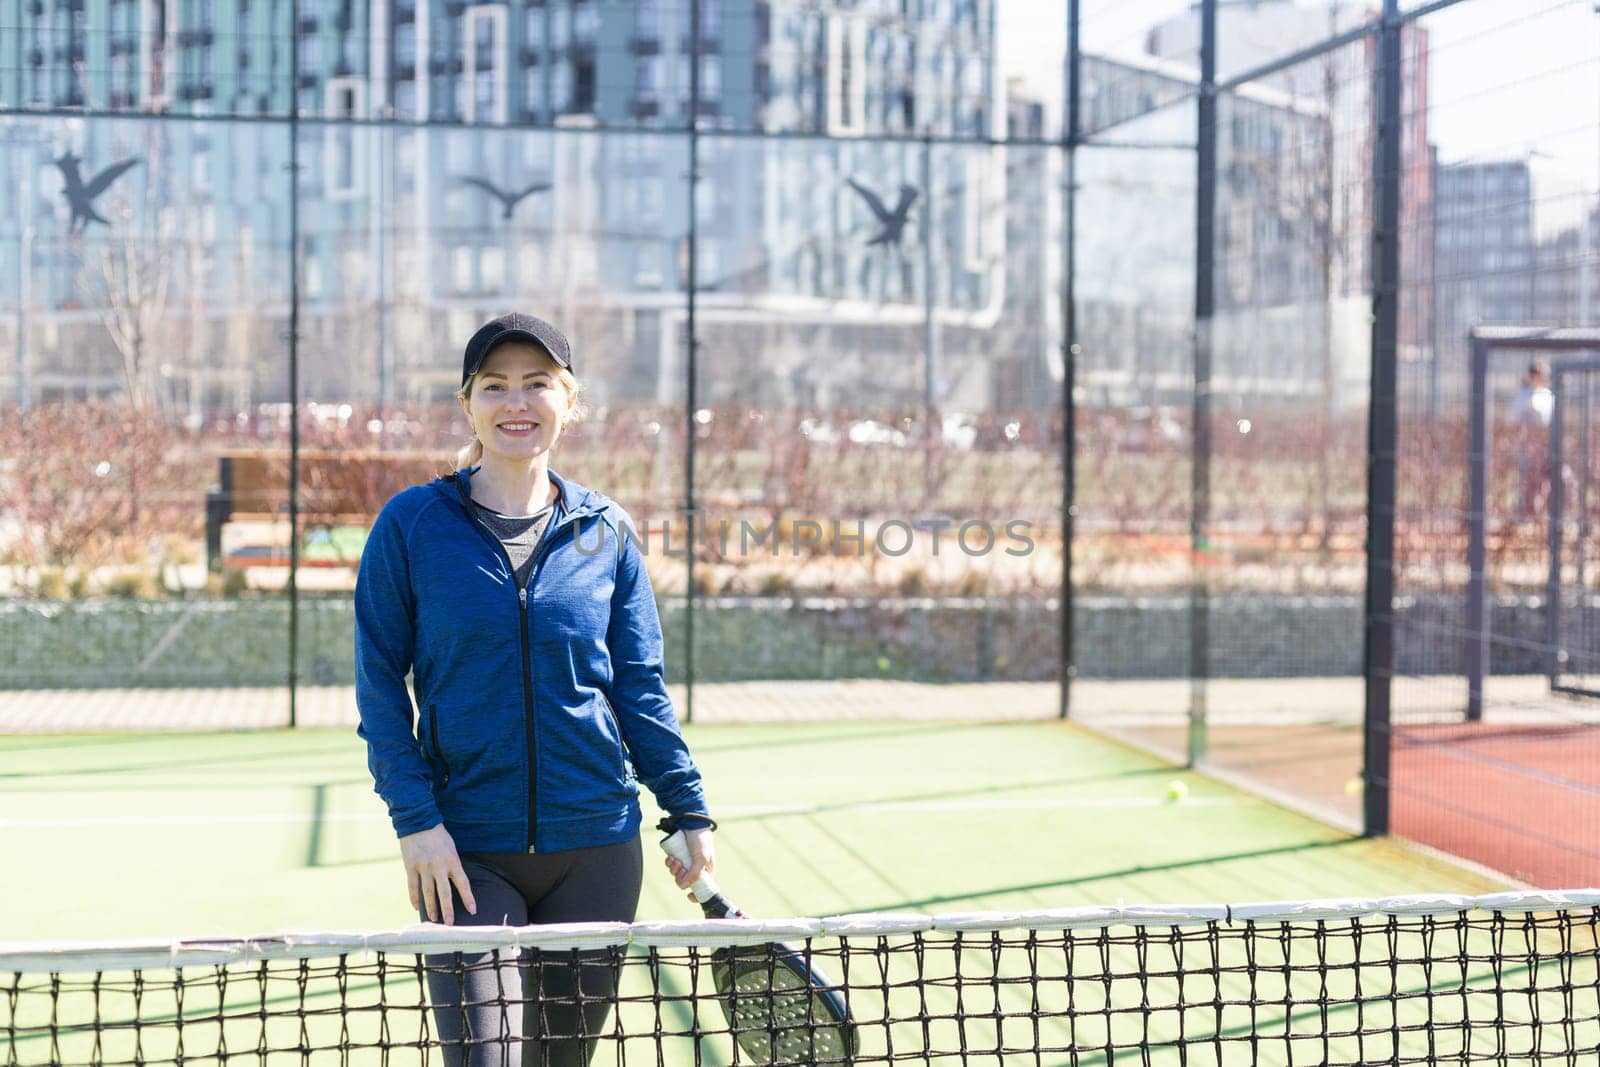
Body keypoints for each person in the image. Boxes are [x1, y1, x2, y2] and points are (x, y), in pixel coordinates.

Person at [354, 312, 717, 1066]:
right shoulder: (413, 524)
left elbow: (639, 685)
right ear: (469, 405)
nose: (516, 402)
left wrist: (686, 806)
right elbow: (380, 684)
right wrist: (416, 821)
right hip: (463, 853)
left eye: (537, 384)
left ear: (569, 400)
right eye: (496, 386)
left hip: (599, 850)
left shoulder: (604, 531)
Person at [1505, 359, 1555, 518]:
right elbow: (1511, 421)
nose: (1545, 377)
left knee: (1553, 480)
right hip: (1530, 445)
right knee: (1529, 482)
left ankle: (1547, 515)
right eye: (1541, 374)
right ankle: (1525, 516)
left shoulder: (1549, 395)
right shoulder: (1524, 396)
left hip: (1550, 444)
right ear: (1532, 376)